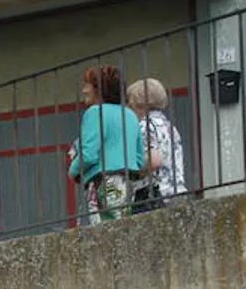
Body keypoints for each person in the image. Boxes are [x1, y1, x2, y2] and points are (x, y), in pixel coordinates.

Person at [67, 65, 145, 224]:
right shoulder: (130, 115)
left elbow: (88, 155)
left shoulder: (95, 112)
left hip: (103, 181)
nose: (84, 90)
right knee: (122, 228)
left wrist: (73, 171)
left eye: (87, 85)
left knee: (104, 231)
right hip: (128, 183)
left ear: (98, 89)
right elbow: (140, 159)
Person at [125, 77, 188, 212]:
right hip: (177, 191)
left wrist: (132, 171)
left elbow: (154, 160)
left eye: (131, 105)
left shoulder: (144, 126)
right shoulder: (170, 127)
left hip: (154, 195)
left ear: (141, 103)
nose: (129, 109)